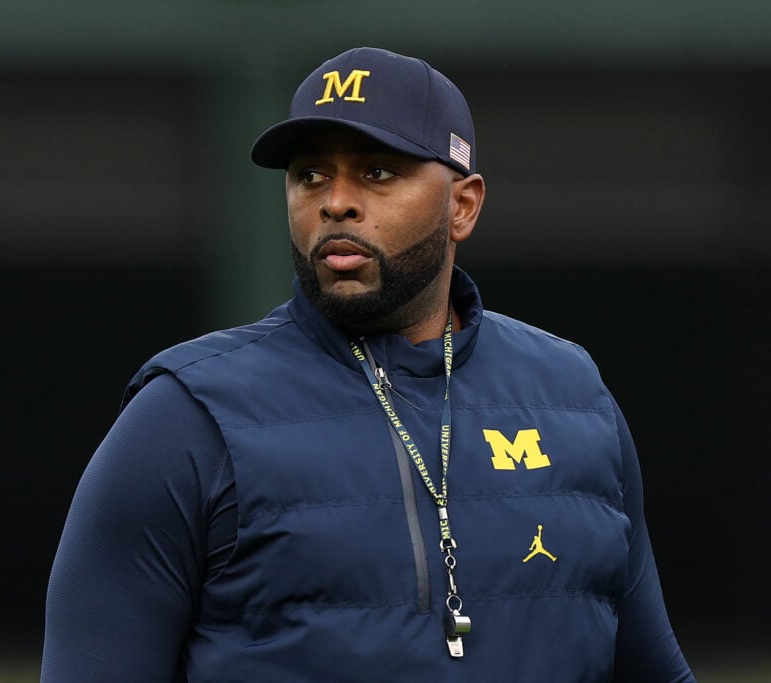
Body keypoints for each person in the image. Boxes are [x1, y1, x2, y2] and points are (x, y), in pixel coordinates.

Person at [42, 46, 695, 682]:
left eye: (378, 172)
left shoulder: (573, 398)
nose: (336, 202)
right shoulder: (185, 418)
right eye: (310, 175)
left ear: (462, 205)